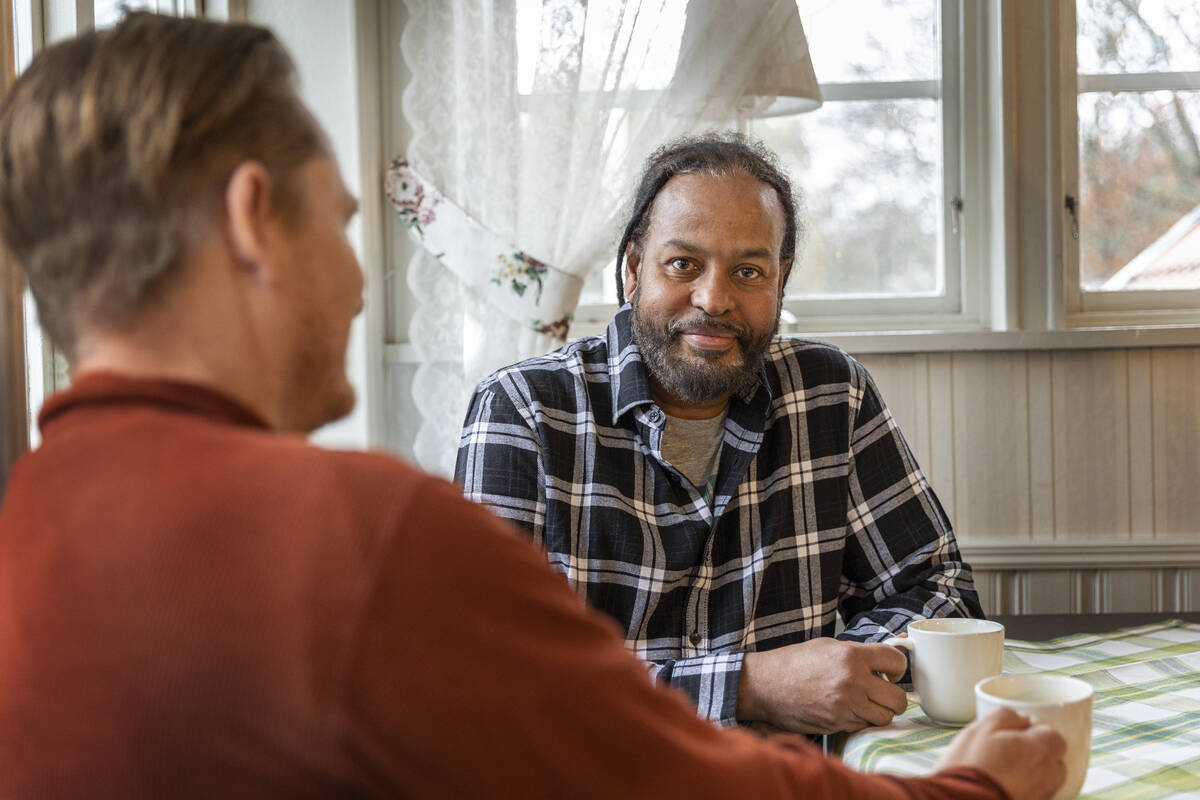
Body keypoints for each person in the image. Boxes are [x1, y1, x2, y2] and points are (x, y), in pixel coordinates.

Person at [0, 12, 1065, 799]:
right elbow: (644, 766)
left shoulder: (29, 530)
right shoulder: (358, 536)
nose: (361, 282)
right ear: (249, 220)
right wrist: (967, 790)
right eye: (341, 222)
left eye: (752, 269)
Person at [457, 132, 983, 735]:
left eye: (748, 271)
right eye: (683, 264)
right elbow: (484, 672)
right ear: (633, 269)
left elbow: (941, 591)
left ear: (780, 281)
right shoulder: (522, 409)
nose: (714, 299)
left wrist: (846, 668)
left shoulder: (834, 394)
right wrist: (751, 687)